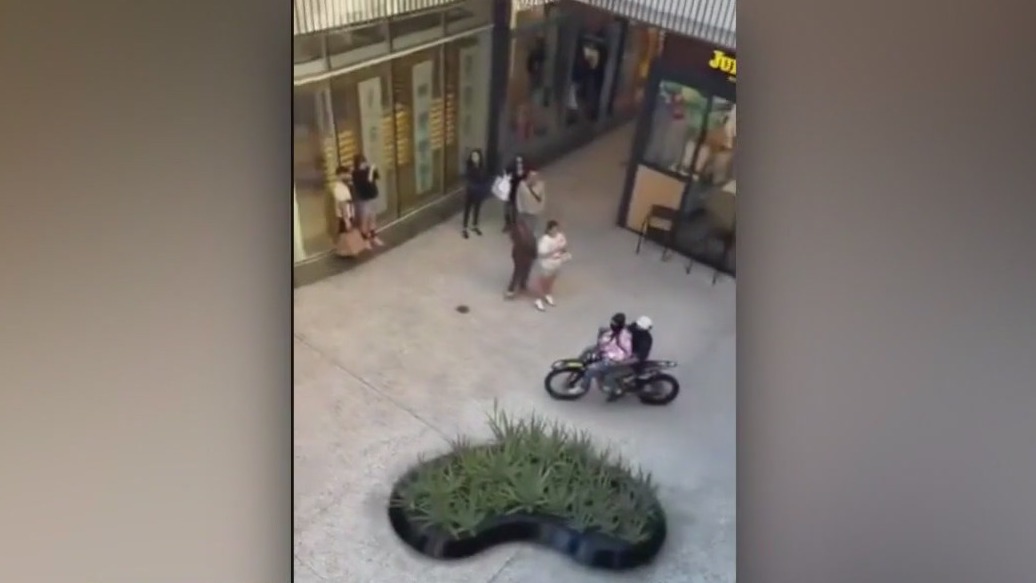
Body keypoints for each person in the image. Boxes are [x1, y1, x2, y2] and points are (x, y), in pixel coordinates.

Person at [580, 313, 632, 393]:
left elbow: (625, 352)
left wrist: (609, 357)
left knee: (590, 369)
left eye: (615, 324)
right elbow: (608, 339)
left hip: (612, 359)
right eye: (612, 322)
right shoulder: (614, 331)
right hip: (605, 352)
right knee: (588, 350)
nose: (612, 325)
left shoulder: (624, 336)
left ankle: (583, 388)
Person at [532, 220, 569, 311]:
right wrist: (554, 250)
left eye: (556, 229)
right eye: (553, 229)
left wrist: (564, 252)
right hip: (547, 263)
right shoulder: (545, 240)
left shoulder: (560, 236)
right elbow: (542, 253)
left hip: (557, 262)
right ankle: (538, 299)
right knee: (542, 281)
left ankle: (547, 294)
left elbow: (564, 246)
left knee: (552, 279)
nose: (555, 231)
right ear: (548, 230)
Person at [351, 154, 382, 248]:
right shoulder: (356, 173)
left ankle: (373, 236)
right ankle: (365, 239)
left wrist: (373, 169)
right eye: (361, 163)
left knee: (372, 217)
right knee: (364, 220)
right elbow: (367, 181)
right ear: (357, 164)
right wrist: (371, 170)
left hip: (373, 196)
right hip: (364, 199)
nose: (363, 164)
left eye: (364, 162)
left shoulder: (368, 169)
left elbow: (376, 178)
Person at [506, 215, 537, 299]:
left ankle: (522, 285)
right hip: (521, 255)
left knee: (525, 270)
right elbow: (525, 243)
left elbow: (533, 242)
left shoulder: (527, 232)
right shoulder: (518, 233)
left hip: (526, 255)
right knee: (518, 272)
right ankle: (511, 289)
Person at [462, 149, 490, 238]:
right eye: (473, 156)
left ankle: (475, 225)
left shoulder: (482, 167)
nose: (475, 158)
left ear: (479, 157)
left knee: (477, 209)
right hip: (471, 191)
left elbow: (485, 178)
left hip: (478, 191)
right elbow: (469, 178)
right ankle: (464, 228)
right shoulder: (469, 167)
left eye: (476, 156)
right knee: (467, 209)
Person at [503, 155, 528, 232]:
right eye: (518, 162)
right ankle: (508, 223)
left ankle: (513, 224)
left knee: (514, 208)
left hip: (517, 191)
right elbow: (507, 175)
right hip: (510, 189)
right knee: (507, 207)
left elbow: (525, 179)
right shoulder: (511, 167)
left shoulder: (524, 168)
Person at [332, 165, 353, 233]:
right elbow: (342, 205)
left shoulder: (344, 186)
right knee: (346, 239)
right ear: (341, 175)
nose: (348, 176)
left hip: (347, 217)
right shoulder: (339, 189)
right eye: (346, 174)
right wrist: (347, 221)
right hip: (344, 219)